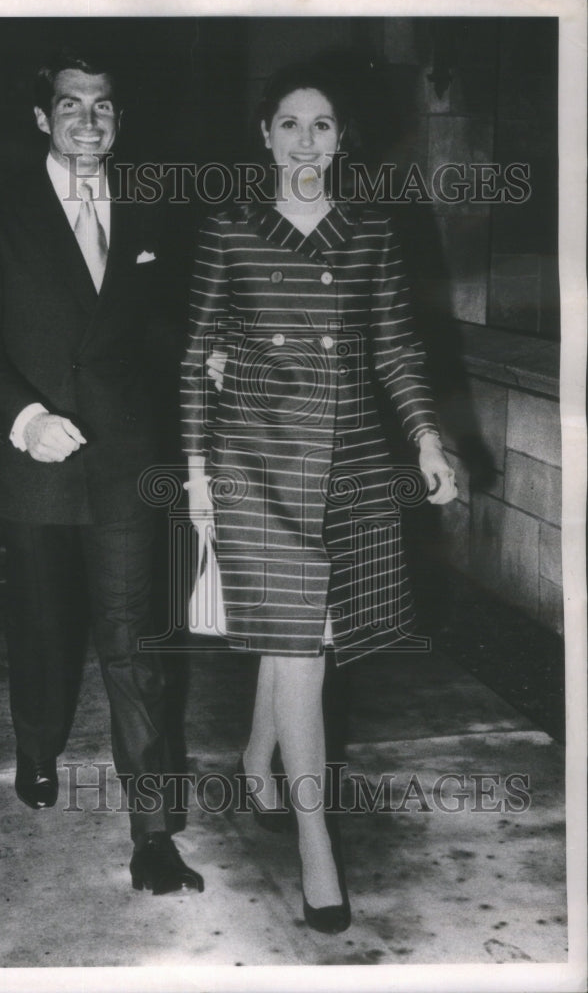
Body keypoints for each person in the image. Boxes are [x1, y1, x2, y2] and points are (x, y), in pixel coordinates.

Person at [180, 61, 456, 931]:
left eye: (323, 126)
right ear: (265, 136)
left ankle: (256, 762)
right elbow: (195, 357)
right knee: (300, 646)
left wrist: (425, 437)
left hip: (351, 464)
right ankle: (315, 847)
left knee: (307, 637)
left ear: (342, 141)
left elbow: (396, 350)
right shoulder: (231, 227)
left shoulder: (371, 229)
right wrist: (193, 472)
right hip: (254, 466)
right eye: (290, 124)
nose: (306, 140)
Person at [0, 46, 203, 896]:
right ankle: (38, 742)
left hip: (128, 466)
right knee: (46, 629)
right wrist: (26, 418)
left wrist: (210, 368)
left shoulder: (154, 214)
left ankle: (154, 833)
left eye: (101, 106)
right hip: (35, 467)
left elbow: (168, 333)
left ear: (118, 119)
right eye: (69, 105)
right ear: (41, 118)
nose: (86, 119)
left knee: (136, 647)